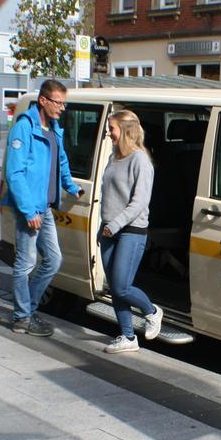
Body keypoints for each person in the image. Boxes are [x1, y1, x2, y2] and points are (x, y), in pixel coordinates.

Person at [3, 79, 83, 336]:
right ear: (43, 100)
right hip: (29, 208)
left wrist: (71, 187)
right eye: (58, 102)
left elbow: (61, 162)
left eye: (63, 103)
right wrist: (28, 211)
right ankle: (21, 318)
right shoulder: (24, 128)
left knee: (53, 259)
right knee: (25, 263)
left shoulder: (55, 128)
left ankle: (29, 310)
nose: (62, 108)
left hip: (46, 207)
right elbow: (14, 174)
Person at [98, 109, 162, 354]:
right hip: (108, 230)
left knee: (122, 286)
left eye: (111, 128)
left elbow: (139, 202)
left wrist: (114, 225)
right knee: (115, 288)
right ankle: (127, 336)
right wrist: (105, 225)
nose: (108, 133)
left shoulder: (140, 160)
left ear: (125, 130)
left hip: (131, 230)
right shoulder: (114, 156)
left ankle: (152, 312)